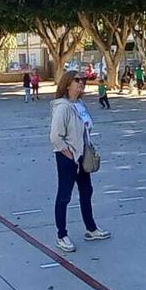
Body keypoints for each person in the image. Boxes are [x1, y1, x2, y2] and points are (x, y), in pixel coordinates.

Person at [48, 70, 111, 253]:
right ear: (67, 84)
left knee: (86, 191)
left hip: (83, 155)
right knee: (65, 195)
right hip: (68, 156)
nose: (81, 83)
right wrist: (68, 154)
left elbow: (84, 129)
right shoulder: (63, 107)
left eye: (83, 80)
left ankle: (91, 229)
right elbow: (55, 136)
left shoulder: (80, 105)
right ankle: (62, 235)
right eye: (77, 80)